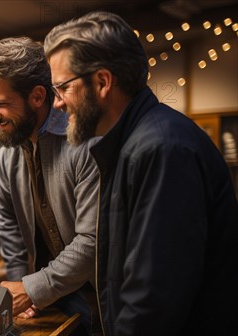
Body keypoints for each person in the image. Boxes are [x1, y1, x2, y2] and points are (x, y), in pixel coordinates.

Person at [44, 11, 238, 335]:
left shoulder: (161, 149)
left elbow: (154, 297)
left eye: (62, 87)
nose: (57, 104)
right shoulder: (133, 143)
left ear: (103, 82)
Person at [0, 37, 100, 335]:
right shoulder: (8, 152)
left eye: (0, 104)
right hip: (44, 299)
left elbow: (93, 239)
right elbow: (9, 224)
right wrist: (19, 286)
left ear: (38, 96)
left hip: (98, 300)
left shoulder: (87, 144)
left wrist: (33, 287)